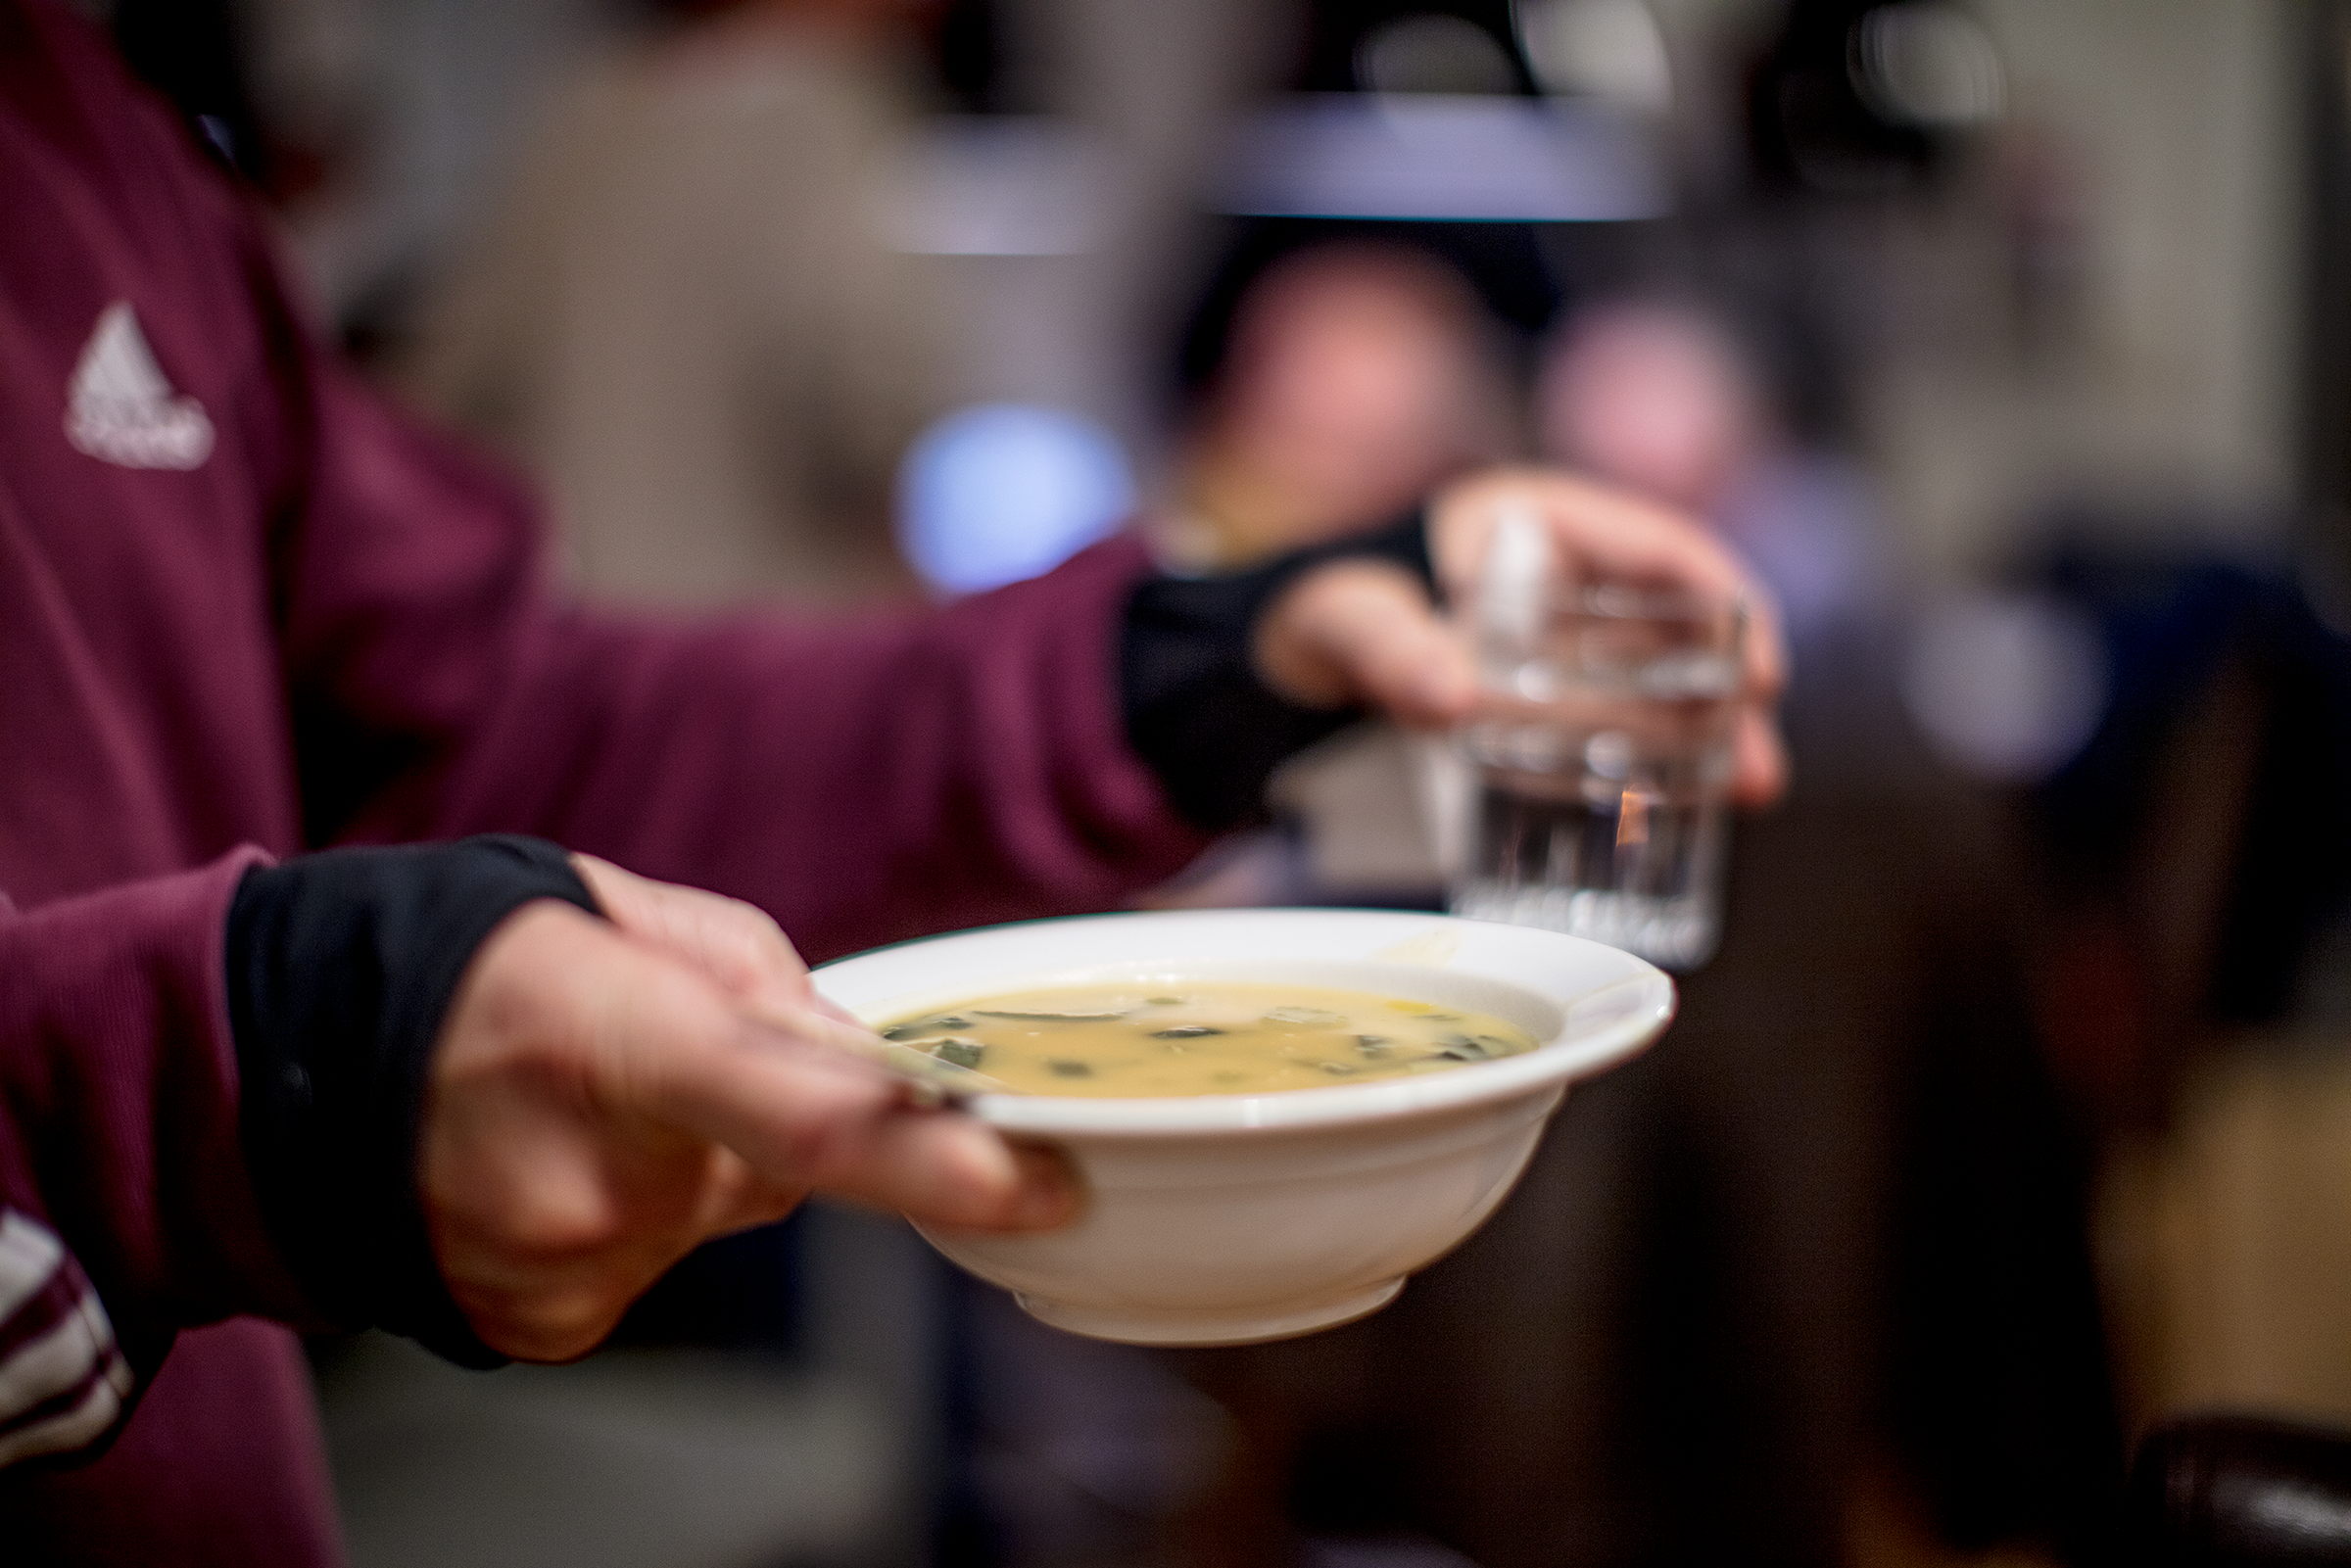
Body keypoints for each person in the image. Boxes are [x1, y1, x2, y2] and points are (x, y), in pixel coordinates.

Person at [0, 4, 1783, 1563]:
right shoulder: (830, 124)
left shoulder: (120, 142)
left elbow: (502, 728)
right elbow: (896, 404)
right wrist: (254, 1068)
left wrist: (1211, 659)